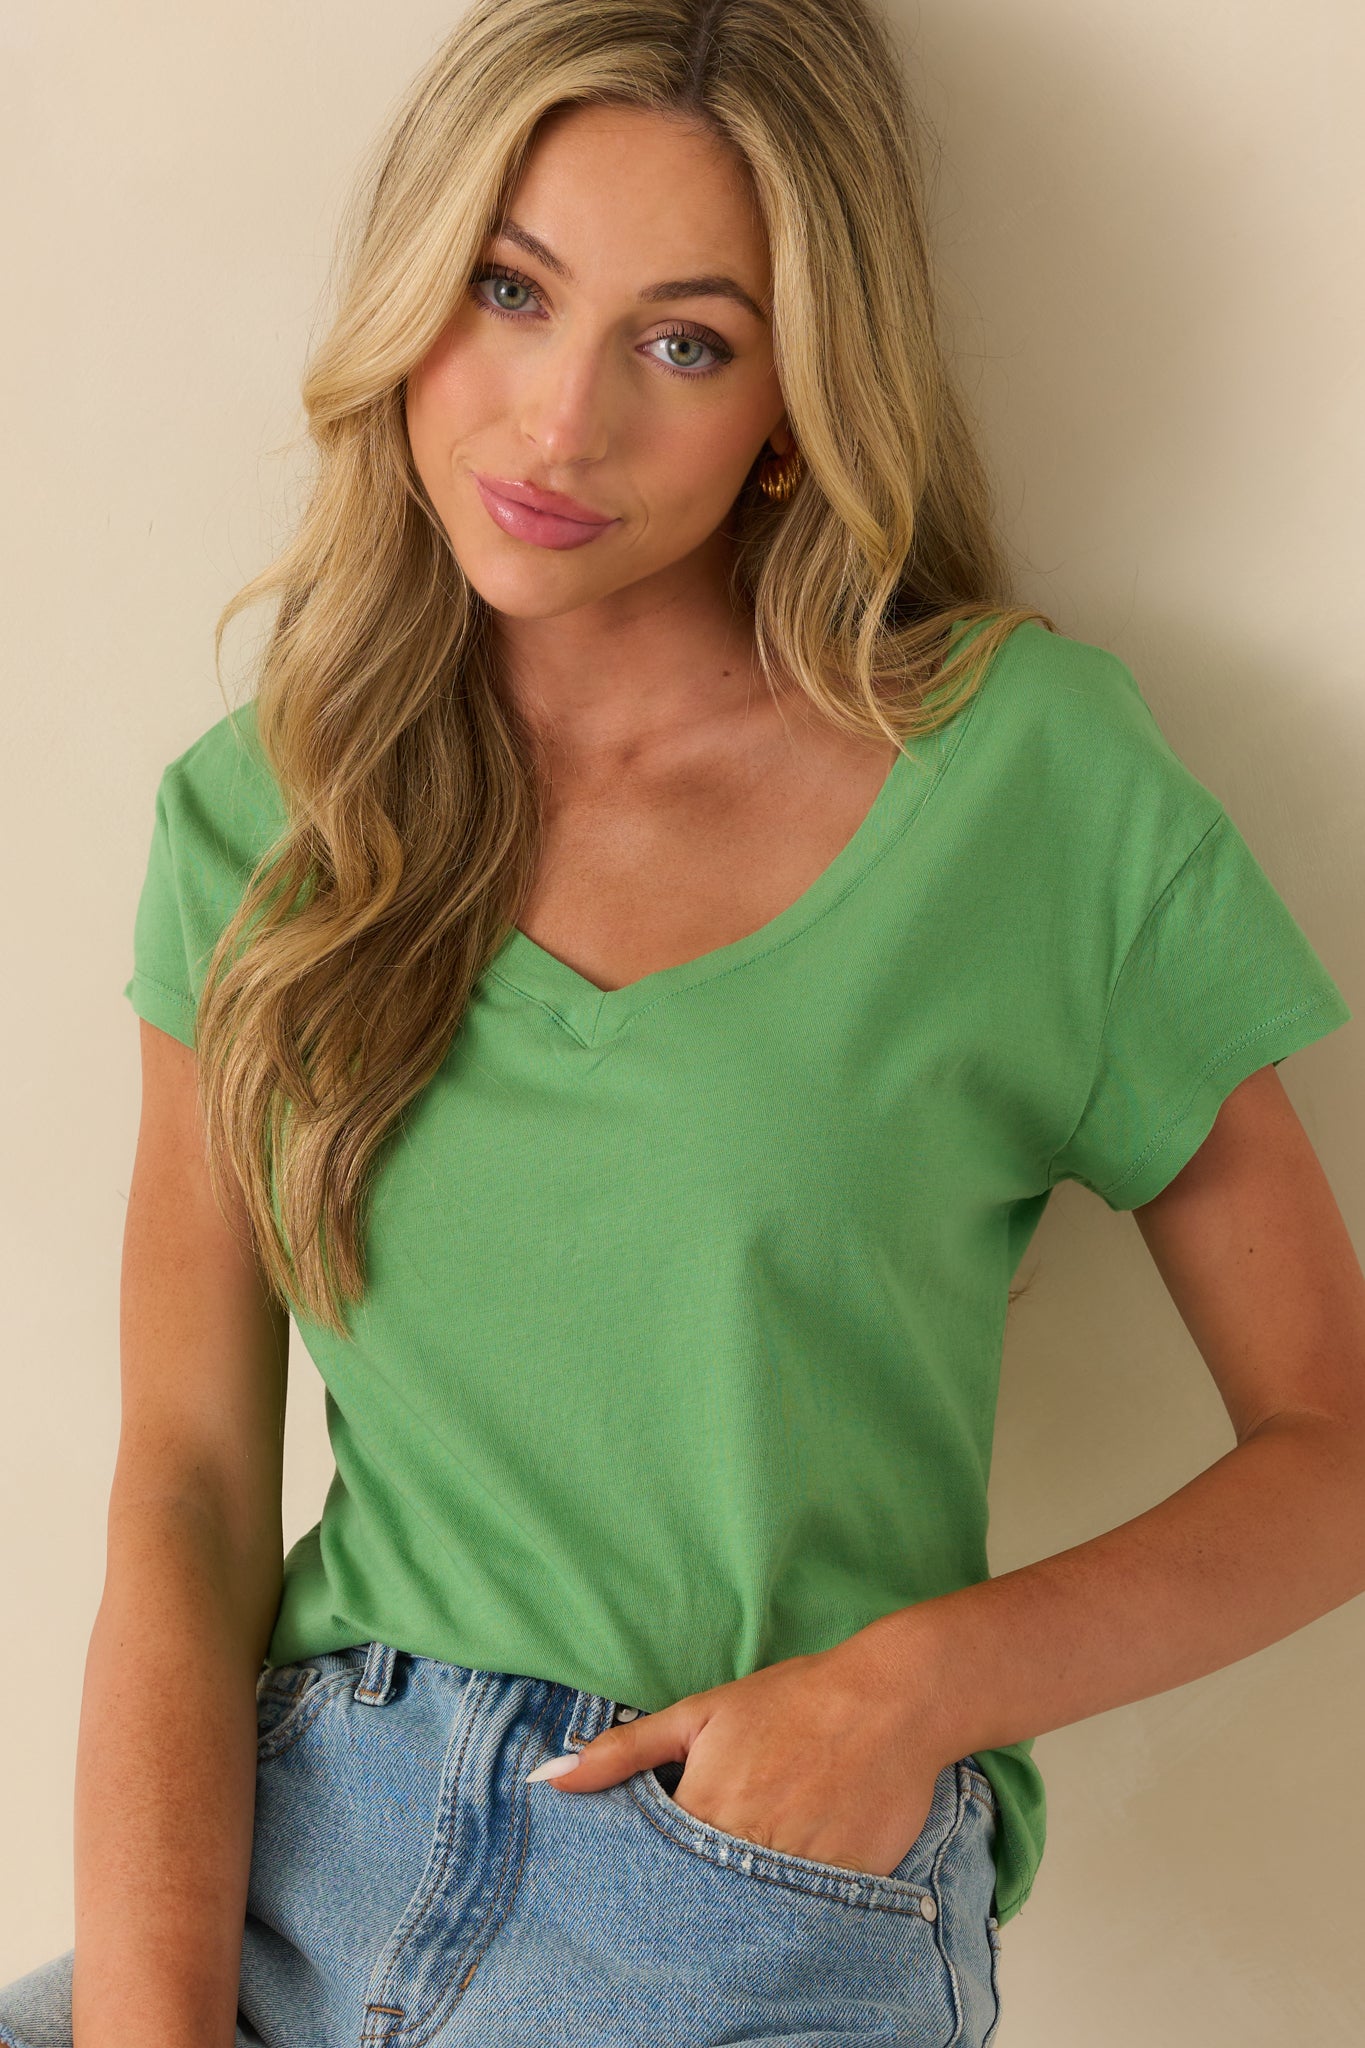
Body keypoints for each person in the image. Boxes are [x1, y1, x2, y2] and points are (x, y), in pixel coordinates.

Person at [4, 1, 1362, 2043]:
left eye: (685, 343)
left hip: (739, 1892)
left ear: (793, 404)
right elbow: (189, 1489)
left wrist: (904, 1694)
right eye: (509, 290)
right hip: (294, 1858)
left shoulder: (1023, 782)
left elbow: (1334, 1447)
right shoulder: (263, 820)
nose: (559, 425)